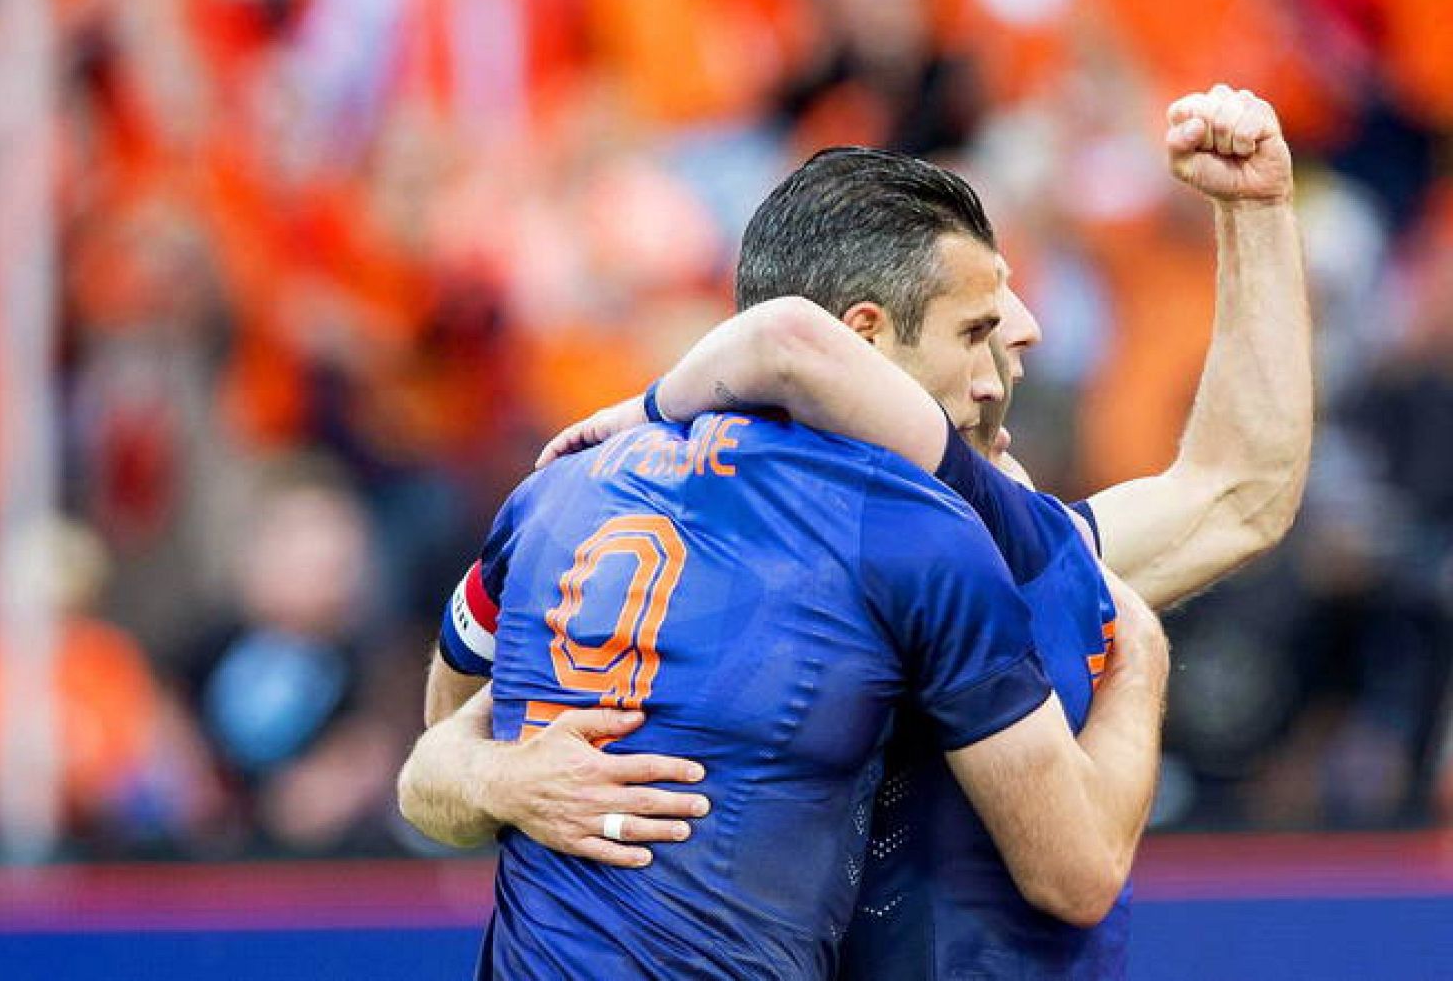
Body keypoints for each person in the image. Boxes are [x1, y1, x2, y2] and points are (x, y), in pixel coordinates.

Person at [401, 84, 1309, 976]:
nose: (1015, 347)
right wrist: (1140, 655)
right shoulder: (931, 540)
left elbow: (1239, 495)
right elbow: (1077, 871)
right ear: (864, 341)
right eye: (977, 327)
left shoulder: (570, 496)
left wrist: (1257, 211)